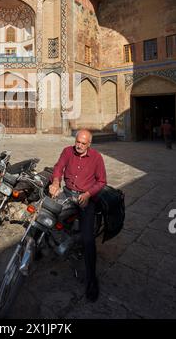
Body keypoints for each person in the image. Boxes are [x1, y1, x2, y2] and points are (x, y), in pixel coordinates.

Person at [49, 129, 106, 302]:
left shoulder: (97, 158)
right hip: (67, 193)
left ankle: (91, 280)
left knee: (88, 240)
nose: (79, 146)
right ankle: (37, 248)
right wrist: (56, 182)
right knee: (46, 214)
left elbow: (102, 181)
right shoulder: (68, 151)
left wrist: (88, 194)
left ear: (89, 144)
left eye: (83, 143)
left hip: (85, 198)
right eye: (77, 142)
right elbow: (58, 167)